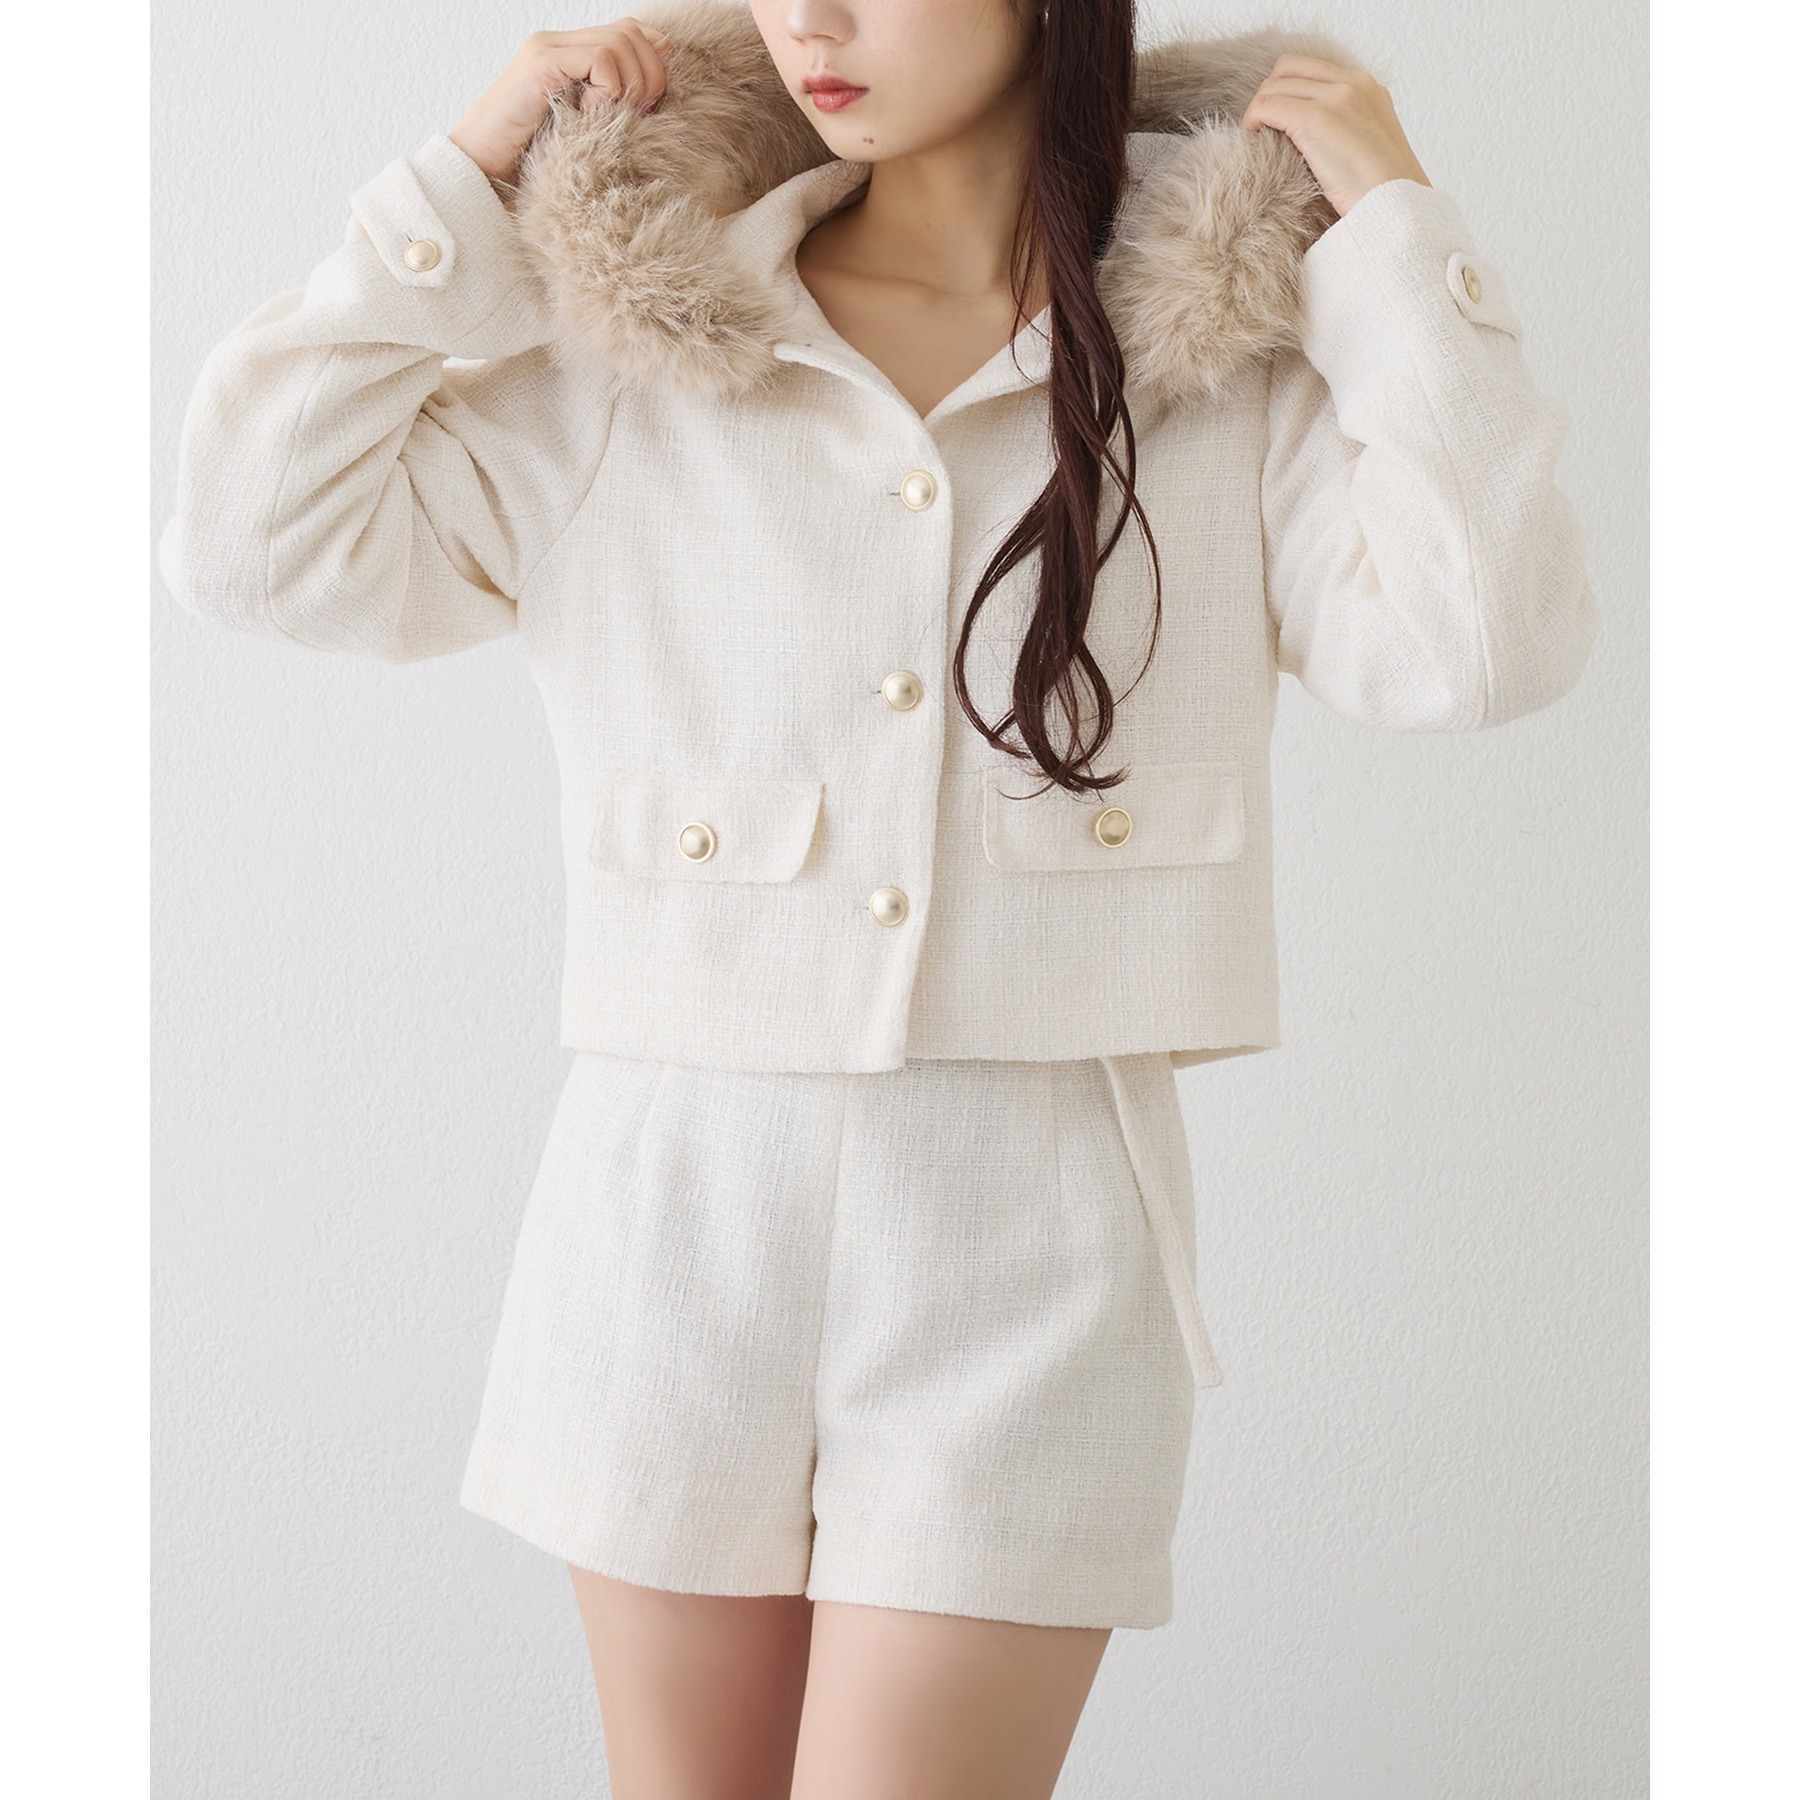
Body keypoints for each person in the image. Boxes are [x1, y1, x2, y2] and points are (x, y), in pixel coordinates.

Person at [158, 0, 1599, 1794]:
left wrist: (1390, 241)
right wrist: (461, 183)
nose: (811, 22)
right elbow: (251, 542)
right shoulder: (640, 343)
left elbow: (1485, 644)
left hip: (1036, 1241)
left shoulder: (1224, 369)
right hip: (672, 1218)